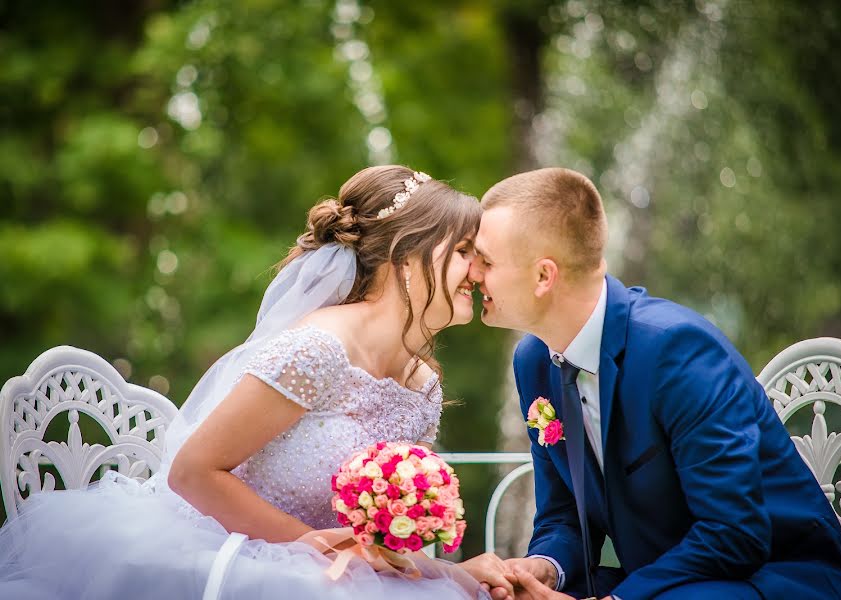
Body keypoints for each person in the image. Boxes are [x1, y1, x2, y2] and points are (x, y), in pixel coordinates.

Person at [0, 165, 509, 600]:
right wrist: (315, 546)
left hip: (338, 577)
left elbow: (383, 548)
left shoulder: (422, 386)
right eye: (466, 250)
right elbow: (193, 473)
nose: (480, 272)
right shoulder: (317, 350)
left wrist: (455, 572)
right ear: (406, 254)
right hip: (235, 553)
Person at [467, 167, 841, 599]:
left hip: (772, 576)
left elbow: (735, 533)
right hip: (665, 577)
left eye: (486, 261)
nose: (472, 274)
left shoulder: (677, 351)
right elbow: (562, 515)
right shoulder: (534, 362)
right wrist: (544, 569)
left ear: (545, 276)